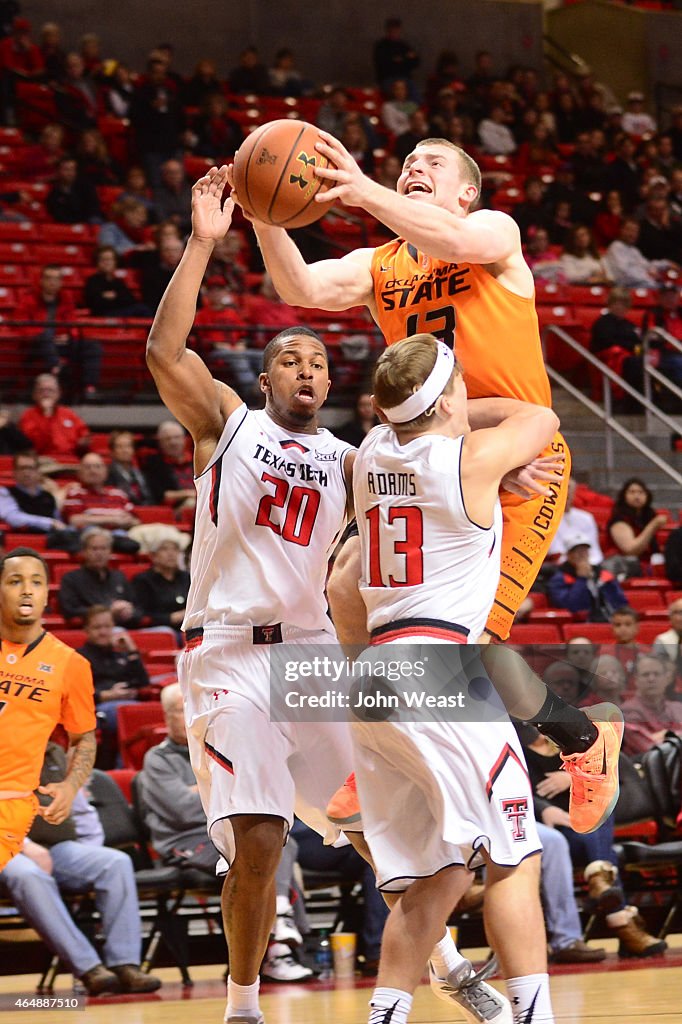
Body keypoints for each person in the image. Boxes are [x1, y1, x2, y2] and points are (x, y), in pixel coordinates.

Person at [239, 131, 623, 836]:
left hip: (514, 451)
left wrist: (361, 191)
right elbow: (301, 287)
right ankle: (385, 734)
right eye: (408, 161)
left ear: (467, 190)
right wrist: (262, 213)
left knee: (472, 641)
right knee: (348, 583)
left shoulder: (491, 231)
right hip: (427, 461)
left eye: (433, 163)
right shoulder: (382, 262)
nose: (415, 167)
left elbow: (452, 237)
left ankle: (582, 737)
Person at [145, 164, 358, 1024]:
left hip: (309, 656)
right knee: (263, 838)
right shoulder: (228, 423)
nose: (306, 369)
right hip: (228, 653)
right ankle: (243, 1006)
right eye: (289, 360)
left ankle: (444, 961)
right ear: (264, 381)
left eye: (317, 361)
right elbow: (164, 353)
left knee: (374, 812)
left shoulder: (351, 461)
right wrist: (202, 243)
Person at [346, 334, 559, 1024]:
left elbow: (344, 577)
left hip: (372, 677)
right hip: (438, 666)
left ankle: (385, 1016)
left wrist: (453, 420)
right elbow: (541, 419)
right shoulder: (465, 459)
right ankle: (536, 1018)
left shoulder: (371, 454)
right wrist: (479, 436)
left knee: (436, 876)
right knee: (515, 853)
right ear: (445, 400)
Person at [139, 685, 312, 983]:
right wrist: (223, 792)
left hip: (227, 830)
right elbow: (182, 810)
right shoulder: (157, 759)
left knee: (274, 843)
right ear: (166, 717)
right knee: (253, 853)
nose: (193, 713)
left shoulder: (221, 744)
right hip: (187, 841)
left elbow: (249, 793)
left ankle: (278, 931)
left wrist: (211, 792)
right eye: (182, 708)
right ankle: (277, 940)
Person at [0, 743, 161, 995]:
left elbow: (81, 811)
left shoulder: (53, 752)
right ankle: (90, 969)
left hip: (56, 848)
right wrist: (26, 847)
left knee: (114, 862)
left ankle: (125, 964)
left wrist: (89, 852)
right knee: (28, 874)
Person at [519, 722, 666, 959]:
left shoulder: (574, 746)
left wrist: (571, 776)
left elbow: (603, 772)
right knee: (602, 849)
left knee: (599, 810)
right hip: (557, 830)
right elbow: (511, 788)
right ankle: (621, 919)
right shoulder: (518, 751)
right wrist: (543, 808)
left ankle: (601, 878)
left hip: (585, 829)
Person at [0, 546, 96, 870]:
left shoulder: (71, 665)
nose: (27, 589)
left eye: (37, 582)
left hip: (10, 807)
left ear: (46, 596)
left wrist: (70, 786)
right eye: (15, 581)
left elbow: (83, 738)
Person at [77, 604, 149, 739]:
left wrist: (132, 651)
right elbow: (77, 694)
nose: (103, 632)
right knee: (124, 715)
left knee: (150, 713)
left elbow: (143, 683)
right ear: (86, 630)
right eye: (97, 627)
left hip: (128, 704)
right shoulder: (78, 657)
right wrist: (107, 695)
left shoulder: (120, 653)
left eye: (107, 627)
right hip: (98, 708)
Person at [58, 527, 142, 626]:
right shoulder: (71, 578)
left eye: (103, 548)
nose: (99, 553)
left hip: (123, 627)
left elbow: (137, 608)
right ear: (84, 551)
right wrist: (108, 611)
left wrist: (130, 612)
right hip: (92, 630)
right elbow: (70, 610)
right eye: (94, 549)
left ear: (110, 551)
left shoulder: (119, 576)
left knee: (162, 631)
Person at [547, 533, 628, 622]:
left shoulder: (603, 575)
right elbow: (571, 606)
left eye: (584, 550)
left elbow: (620, 603)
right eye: (577, 551)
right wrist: (581, 580)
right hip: (579, 624)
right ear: (569, 555)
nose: (582, 554)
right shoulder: (559, 579)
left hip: (609, 621)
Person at [61, 452, 140, 534]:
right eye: (87, 467)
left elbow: (136, 520)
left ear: (106, 472)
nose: (93, 471)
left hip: (122, 536)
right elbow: (74, 521)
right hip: (90, 538)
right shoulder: (75, 493)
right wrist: (113, 520)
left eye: (97, 467)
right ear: (80, 473)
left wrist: (128, 521)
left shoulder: (118, 494)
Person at [621, 652, 682, 756]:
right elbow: (650, 747)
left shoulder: (678, 708)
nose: (651, 679)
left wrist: (664, 736)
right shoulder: (626, 712)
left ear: (666, 678)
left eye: (656, 674)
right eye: (646, 674)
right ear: (636, 680)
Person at [18, 374, 91, 460]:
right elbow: (33, 445)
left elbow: (84, 435)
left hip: (70, 459)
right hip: (42, 460)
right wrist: (47, 416)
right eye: (42, 390)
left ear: (59, 393)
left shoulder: (68, 413)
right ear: (34, 395)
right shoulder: (28, 415)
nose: (46, 394)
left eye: (50, 390)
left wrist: (83, 442)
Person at [606, 477, 668, 574]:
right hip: (625, 568)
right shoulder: (619, 520)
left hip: (649, 564)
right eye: (632, 492)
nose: (637, 496)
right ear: (624, 496)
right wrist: (653, 526)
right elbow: (631, 550)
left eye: (641, 492)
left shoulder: (649, 516)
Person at [131, 536, 190, 631]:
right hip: (157, 627)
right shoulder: (143, 580)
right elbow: (140, 614)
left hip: (186, 626)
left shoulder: (187, 577)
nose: (171, 554)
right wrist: (169, 618)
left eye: (175, 549)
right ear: (153, 556)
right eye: (164, 549)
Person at [547, 478, 603, 566]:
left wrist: (590, 565)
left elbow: (595, 551)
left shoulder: (586, 518)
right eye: (562, 487)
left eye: (568, 487)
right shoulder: (548, 519)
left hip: (590, 564)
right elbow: (556, 552)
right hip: (563, 567)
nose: (566, 491)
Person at [142, 419, 195, 510]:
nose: (173, 442)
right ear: (160, 442)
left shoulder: (196, 458)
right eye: (167, 439)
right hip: (175, 508)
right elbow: (162, 495)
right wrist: (189, 493)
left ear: (184, 439)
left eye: (177, 437)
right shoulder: (154, 464)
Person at [106, 430, 154, 506]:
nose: (125, 450)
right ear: (112, 451)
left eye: (128, 446)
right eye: (120, 447)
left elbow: (150, 498)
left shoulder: (142, 473)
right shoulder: (107, 474)